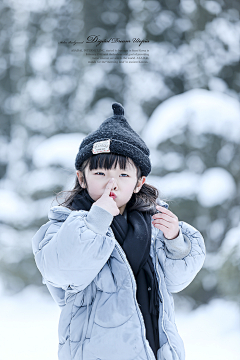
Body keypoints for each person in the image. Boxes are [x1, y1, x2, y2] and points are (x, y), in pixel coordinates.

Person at [32, 102, 205, 360]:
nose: (111, 183)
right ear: (82, 178)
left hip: (155, 348)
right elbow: (62, 270)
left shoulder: (152, 224)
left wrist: (176, 242)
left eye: (124, 175)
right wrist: (95, 221)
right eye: (100, 172)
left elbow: (176, 281)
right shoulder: (64, 225)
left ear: (138, 183)